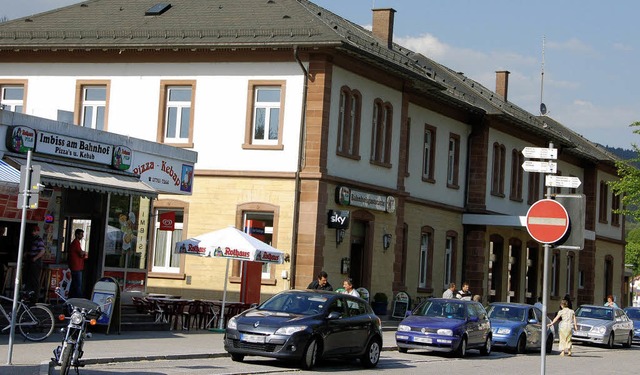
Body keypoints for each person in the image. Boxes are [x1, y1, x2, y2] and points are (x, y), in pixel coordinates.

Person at [24, 225, 45, 298]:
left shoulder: (39, 240)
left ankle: (36, 297)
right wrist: (27, 253)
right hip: (30, 259)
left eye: (35, 231)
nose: (33, 232)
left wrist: (35, 258)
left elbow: (42, 251)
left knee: (35, 279)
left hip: (36, 261)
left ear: (38, 231)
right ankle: (29, 295)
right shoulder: (31, 239)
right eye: (32, 231)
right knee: (28, 278)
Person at [68, 229, 87, 298]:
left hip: (74, 266)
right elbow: (81, 253)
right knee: (78, 285)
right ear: (77, 235)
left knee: (74, 284)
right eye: (81, 234)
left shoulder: (74, 243)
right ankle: (78, 298)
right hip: (76, 267)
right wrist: (84, 252)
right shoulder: (76, 243)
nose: (82, 236)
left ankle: (70, 297)